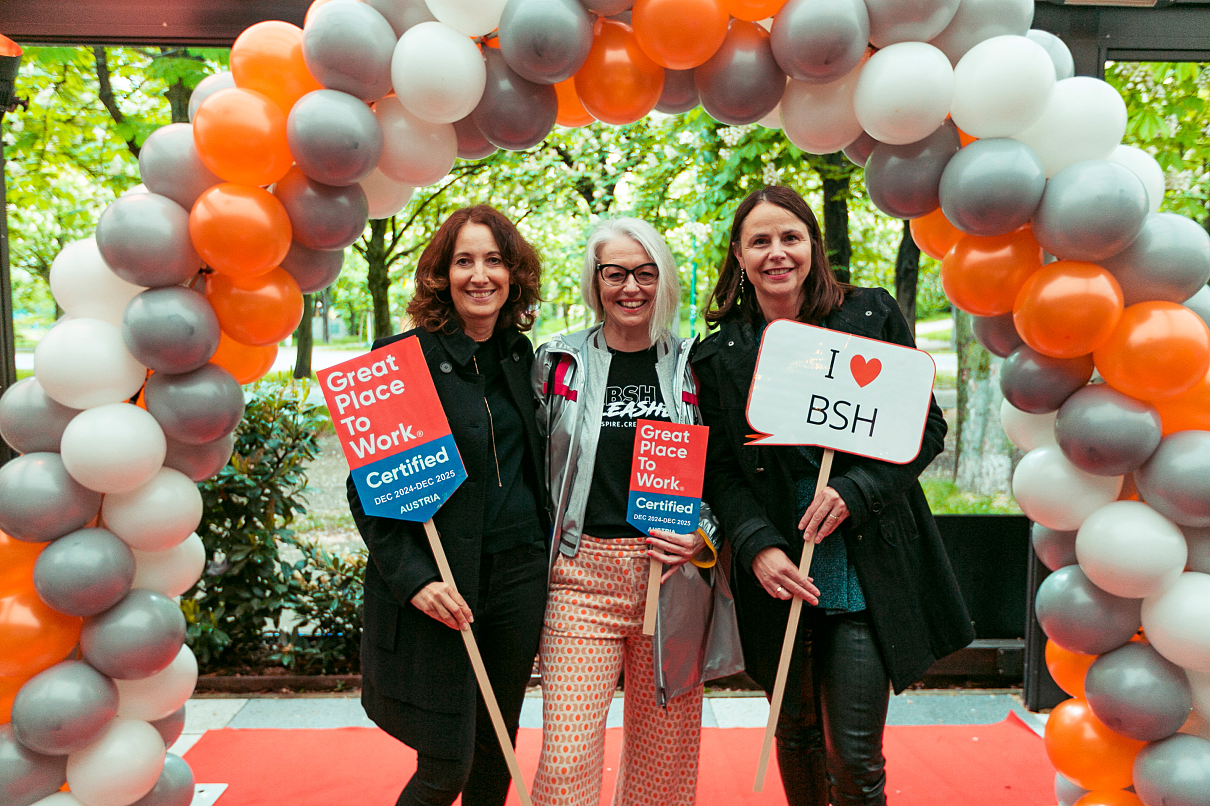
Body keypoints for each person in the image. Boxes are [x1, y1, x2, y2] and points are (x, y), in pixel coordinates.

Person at [691, 186, 974, 806]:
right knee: (793, 732)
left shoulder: (868, 316)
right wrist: (756, 546)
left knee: (853, 752)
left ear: (812, 247)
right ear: (739, 256)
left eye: (790, 237)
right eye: (759, 241)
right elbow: (719, 471)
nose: (776, 253)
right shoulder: (716, 355)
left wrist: (855, 488)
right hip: (776, 568)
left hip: (862, 565)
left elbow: (925, 427)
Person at [530, 218, 743, 806]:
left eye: (645, 272)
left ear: (663, 279)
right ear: (594, 282)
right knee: (566, 757)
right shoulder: (557, 364)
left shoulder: (695, 365)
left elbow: (726, 475)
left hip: (672, 577)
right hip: (579, 578)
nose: (631, 287)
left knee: (663, 765)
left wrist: (702, 537)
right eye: (615, 272)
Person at [348, 205, 549, 806]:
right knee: (446, 763)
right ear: (442, 274)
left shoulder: (519, 354)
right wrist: (415, 582)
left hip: (517, 578)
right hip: (441, 586)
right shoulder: (399, 361)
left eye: (494, 260)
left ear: (514, 275)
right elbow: (367, 494)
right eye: (465, 261)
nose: (480, 275)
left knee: (496, 751)